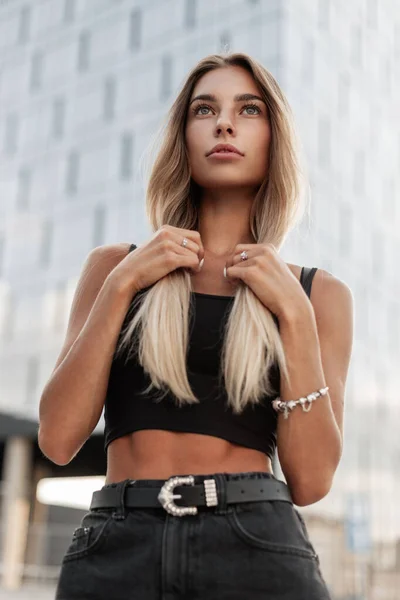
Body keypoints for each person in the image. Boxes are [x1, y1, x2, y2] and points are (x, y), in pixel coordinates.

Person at [39, 51, 354, 599]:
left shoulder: (315, 295)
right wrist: (121, 288)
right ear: (183, 137)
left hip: (256, 545)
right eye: (204, 109)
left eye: (248, 109)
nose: (224, 123)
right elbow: (59, 439)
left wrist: (295, 318)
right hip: (118, 544)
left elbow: (312, 481)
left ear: (273, 137)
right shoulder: (115, 268)